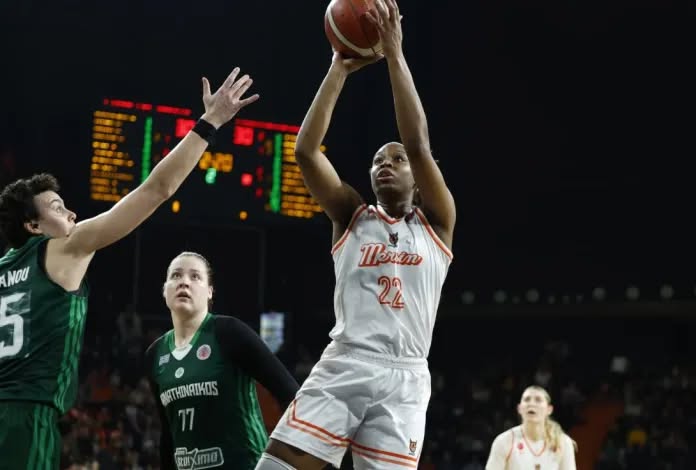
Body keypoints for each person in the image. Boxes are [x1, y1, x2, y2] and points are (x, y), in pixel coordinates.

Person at [0, 67, 259, 469]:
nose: (70, 213)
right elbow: (156, 190)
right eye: (56, 208)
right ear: (33, 226)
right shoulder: (62, 248)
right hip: (24, 419)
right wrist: (209, 122)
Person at [255, 0, 456, 468]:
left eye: (396, 160)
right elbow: (306, 152)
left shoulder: (437, 222)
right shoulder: (351, 216)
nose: (386, 163)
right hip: (346, 362)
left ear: (420, 177)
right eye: (378, 160)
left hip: (407, 378)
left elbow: (419, 144)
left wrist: (395, 54)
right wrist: (338, 69)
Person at [145, 251, 300, 469]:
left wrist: (282, 461)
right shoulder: (155, 354)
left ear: (209, 292)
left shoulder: (229, 332)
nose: (184, 282)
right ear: (165, 290)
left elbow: (291, 393)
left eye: (195, 276)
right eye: (176, 275)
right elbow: (168, 434)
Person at [485, 386, 578, 470]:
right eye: (527, 399)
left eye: (538, 400)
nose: (531, 404)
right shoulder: (504, 441)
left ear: (549, 409)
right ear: (519, 408)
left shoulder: (563, 442)